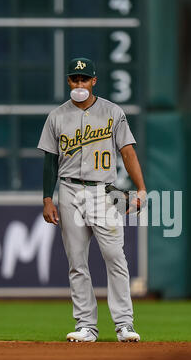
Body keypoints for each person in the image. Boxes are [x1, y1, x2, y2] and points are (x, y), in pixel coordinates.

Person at [37, 57, 147, 342]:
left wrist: (141, 188)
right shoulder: (57, 116)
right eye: (75, 78)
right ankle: (86, 325)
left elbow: (128, 152)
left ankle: (124, 324)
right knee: (77, 261)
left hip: (102, 191)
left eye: (84, 79)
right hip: (70, 190)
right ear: (68, 81)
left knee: (115, 257)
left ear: (94, 81)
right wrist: (48, 198)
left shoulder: (112, 111)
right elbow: (50, 161)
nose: (79, 83)